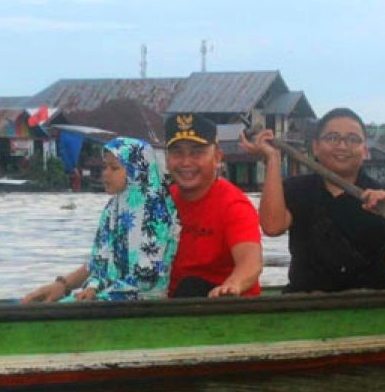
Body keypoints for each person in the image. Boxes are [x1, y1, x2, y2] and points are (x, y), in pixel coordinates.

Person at [240, 107, 385, 293]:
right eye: (332, 138)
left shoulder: (382, 197)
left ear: (365, 151)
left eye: (353, 140)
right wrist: (272, 159)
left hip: (368, 301)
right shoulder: (296, 189)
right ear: (315, 147)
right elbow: (272, 227)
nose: (342, 146)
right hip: (305, 300)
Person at [24, 137, 178, 302]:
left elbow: (146, 276)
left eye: (114, 168)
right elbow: (100, 260)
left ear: (137, 170)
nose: (105, 173)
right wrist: (92, 286)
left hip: (144, 298)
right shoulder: (112, 208)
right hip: (109, 294)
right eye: (105, 166)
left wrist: (97, 293)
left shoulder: (156, 210)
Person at [164, 113, 262, 297]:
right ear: (167, 159)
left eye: (196, 152)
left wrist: (233, 285)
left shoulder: (234, 205)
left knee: (190, 286)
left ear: (217, 157)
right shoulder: (160, 202)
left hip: (224, 305)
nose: (186, 162)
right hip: (174, 302)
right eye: (177, 153)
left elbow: (251, 262)